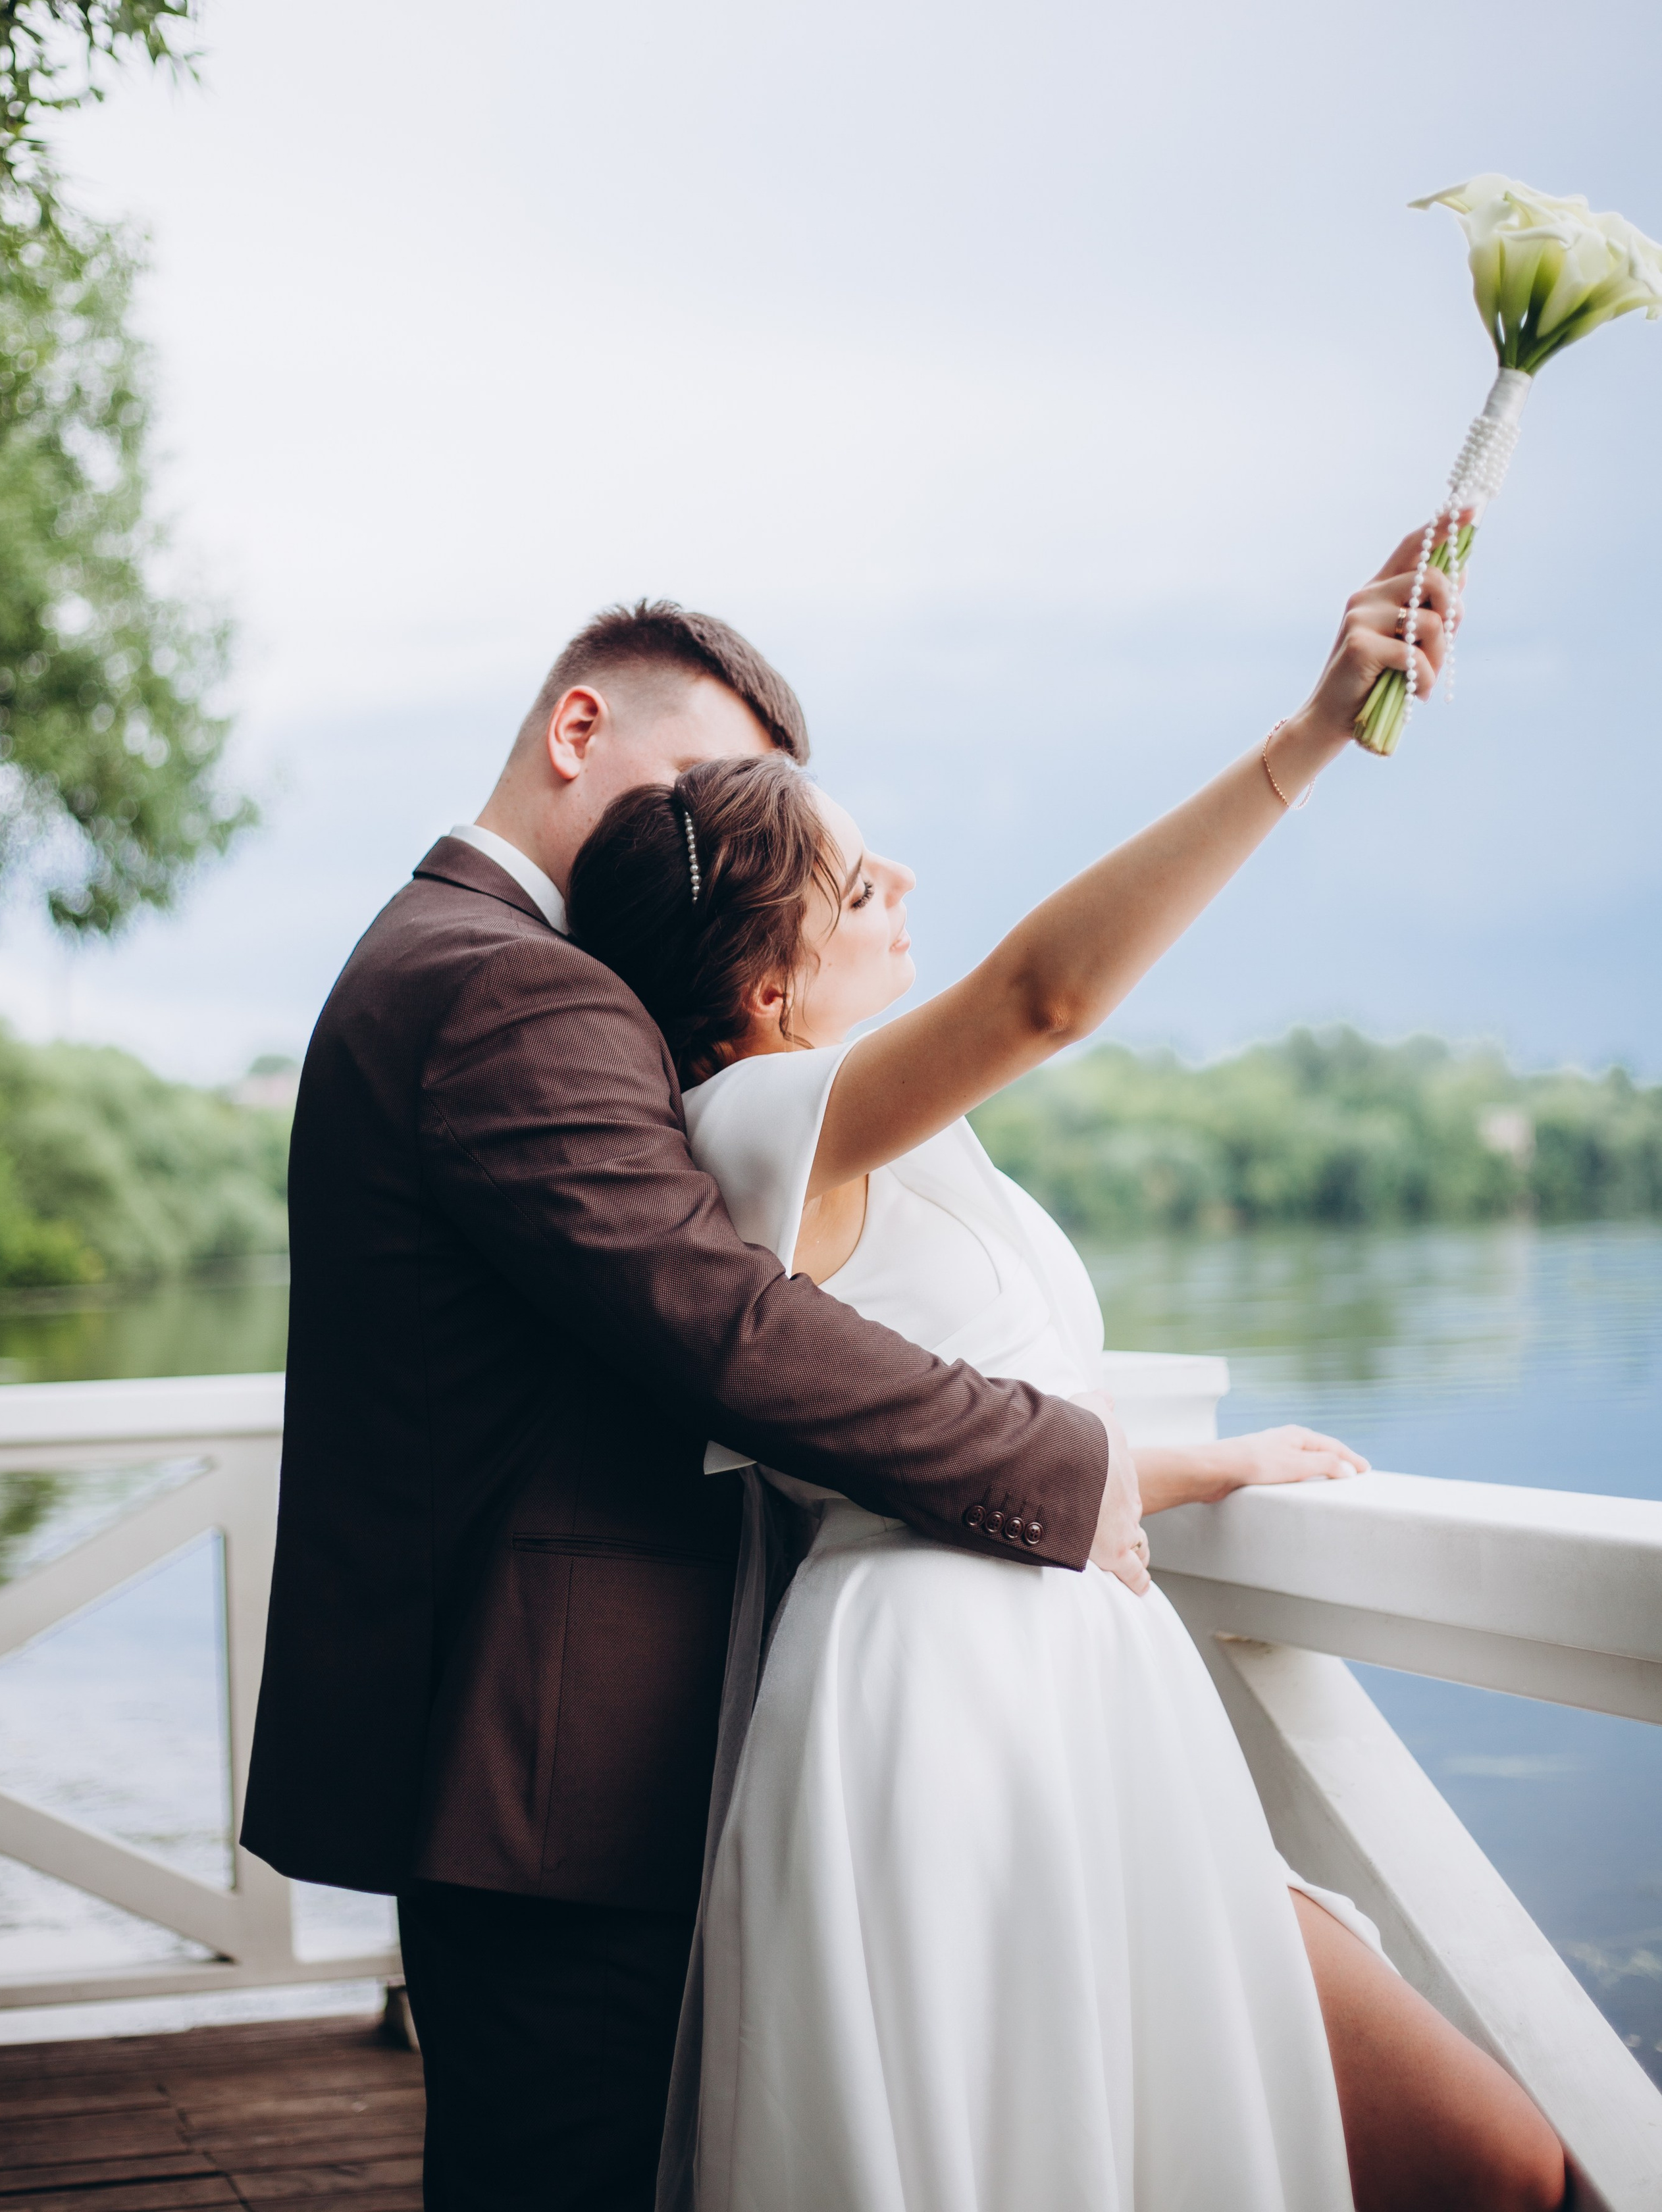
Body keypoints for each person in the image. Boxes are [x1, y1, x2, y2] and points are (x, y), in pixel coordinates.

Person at [565, 529, 1569, 2212]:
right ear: (758, 986)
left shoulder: (884, 1152)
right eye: (859, 887)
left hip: (1064, 1688)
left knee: (1486, 2163)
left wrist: (1203, 1466)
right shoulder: (750, 1123)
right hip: (951, 1713)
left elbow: (967, 1416)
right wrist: (1304, 734)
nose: (902, 903)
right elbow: (1045, 995)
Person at [241, 600, 1124, 2212]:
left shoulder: (439, 955)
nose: (716, 840)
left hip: (516, 1762)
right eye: (697, 786)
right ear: (577, 734)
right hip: (558, 1771)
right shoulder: (508, 985)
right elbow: (718, 1328)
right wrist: (1064, 1467)